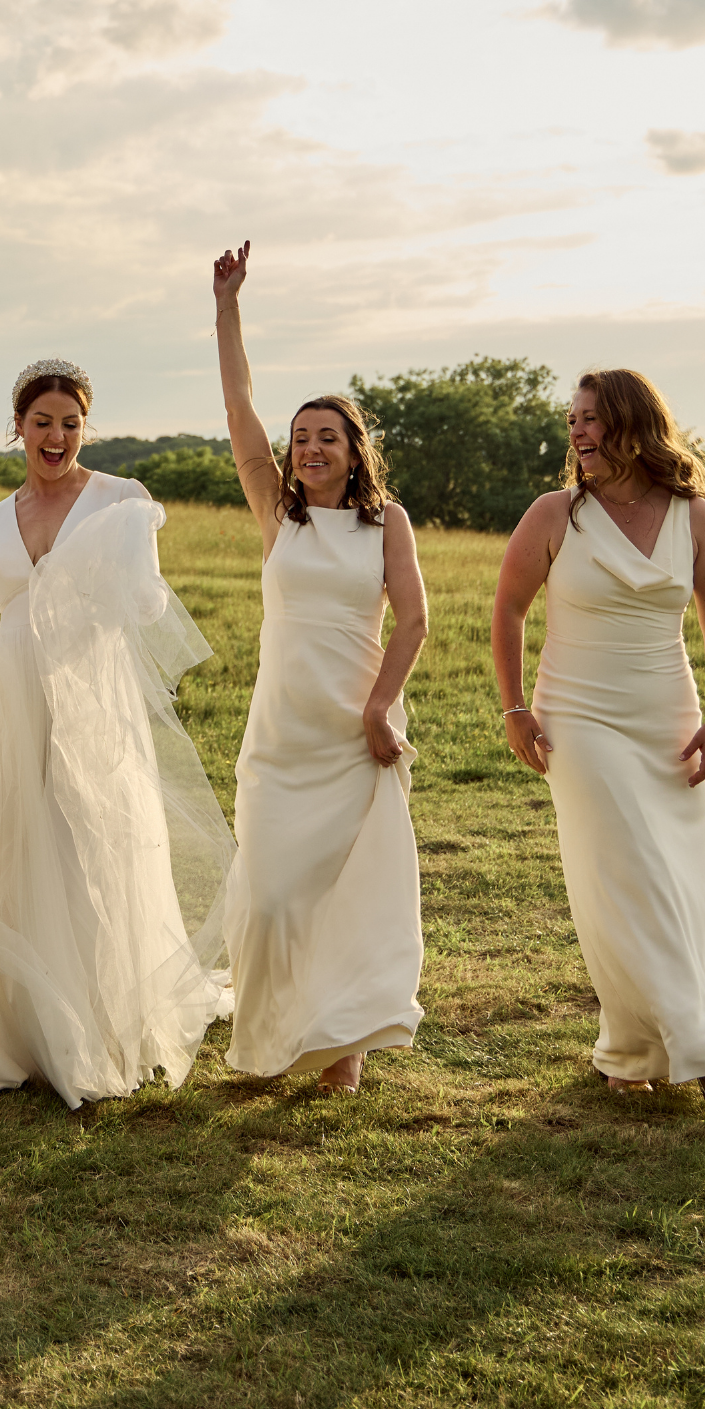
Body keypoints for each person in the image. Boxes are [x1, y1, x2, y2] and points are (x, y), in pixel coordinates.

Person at [491, 368, 705, 1109]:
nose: (577, 432)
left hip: (665, 716)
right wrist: (513, 710)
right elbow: (507, 611)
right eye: (572, 421)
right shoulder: (553, 514)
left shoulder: (690, 516)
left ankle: (628, 1050)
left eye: (591, 419)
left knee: (674, 874)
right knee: (631, 868)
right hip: (577, 717)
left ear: (631, 424)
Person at [0, 359, 234, 1108]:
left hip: (91, 699)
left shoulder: (119, 501)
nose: (57, 436)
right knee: (13, 849)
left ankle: (95, 1020)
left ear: (84, 428)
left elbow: (146, 609)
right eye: (42, 422)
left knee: (89, 846)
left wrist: (103, 583)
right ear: (17, 428)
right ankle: (16, 1027)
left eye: (71, 423)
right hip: (11, 703)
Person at [212, 242, 429, 1092]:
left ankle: (343, 1044)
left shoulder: (388, 525)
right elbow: (237, 405)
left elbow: (412, 622)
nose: (307, 448)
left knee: (349, 890)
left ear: (352, 449)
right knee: (269, 897)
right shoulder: (278, 514)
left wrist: (380, 710)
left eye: (324, 437)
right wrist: (226, 305)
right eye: (299, 437)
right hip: (282, 732)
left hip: (355, 734)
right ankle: (269, 1042)